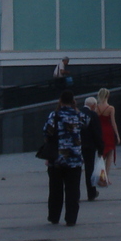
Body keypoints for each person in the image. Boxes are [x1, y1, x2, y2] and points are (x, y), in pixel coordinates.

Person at [43, 90, 89, 226]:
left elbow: (46, 131)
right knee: (73, 190)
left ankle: (54, 216)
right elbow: (87, 124)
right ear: (73, 101)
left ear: (60, 100)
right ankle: (71, 218)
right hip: (74, 159)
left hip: (56, 159)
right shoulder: (78, 115)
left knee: (55, 189)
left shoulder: (54, 115)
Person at [80, 96, 105, 201]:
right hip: (89, 146)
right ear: (93, 105)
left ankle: (74, 193)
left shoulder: (77, 113)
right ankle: (91, 193)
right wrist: (100, 148)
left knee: (75, 170)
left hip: (76, 146)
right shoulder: (93, 115)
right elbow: (97, 133)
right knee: (89, 169)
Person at [95, 88, 119, 179]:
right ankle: (105, 177)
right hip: (108, 131)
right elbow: (113, 122)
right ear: (108, 96)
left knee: (100, 154)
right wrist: (117, 134)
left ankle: (99, 174)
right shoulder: (111, 108)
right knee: (109, 154)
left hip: (99, 132)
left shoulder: (96, 108)